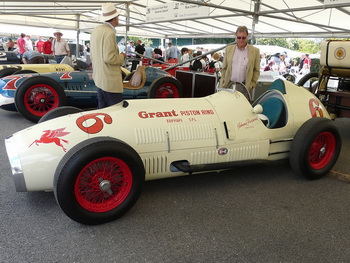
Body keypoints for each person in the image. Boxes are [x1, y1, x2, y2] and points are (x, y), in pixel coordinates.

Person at [90, 2, 126, 109]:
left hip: (99, 78)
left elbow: (93, 54)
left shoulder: (96, 30)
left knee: (102, 110)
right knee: (115, 110)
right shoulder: (110, 33)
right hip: (110, 80)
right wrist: (122, 56)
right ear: (115, 18)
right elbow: (109, 58)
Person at [220, 26, 260, 94]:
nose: (241, 40)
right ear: (236, 37)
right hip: (228, 85)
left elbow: (256, 70)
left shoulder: (255, 51)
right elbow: (224, 68)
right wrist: (223, 80)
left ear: (247, 37)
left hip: (245, 87)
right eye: (239, 37)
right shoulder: (228, 49)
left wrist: (252, 84)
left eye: (243, 37)